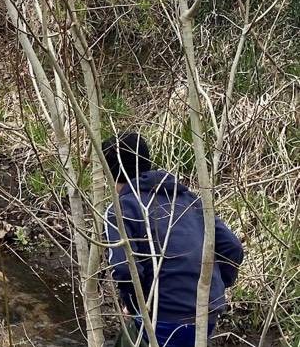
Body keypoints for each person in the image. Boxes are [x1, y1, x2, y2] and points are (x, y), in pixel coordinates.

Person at [103, 133, 244, 347]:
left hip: (164, 315)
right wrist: (215, 286)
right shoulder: (190, 200)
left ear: (109, 171)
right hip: (208, 309)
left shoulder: (121, 209)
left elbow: (124, 269)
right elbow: (232, 248)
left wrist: (135, 307)